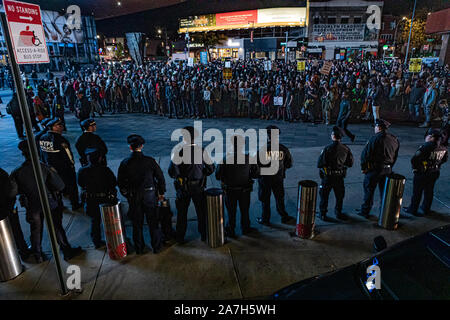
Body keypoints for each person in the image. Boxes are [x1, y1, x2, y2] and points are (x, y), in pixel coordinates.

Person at [10, 140, 83, 263]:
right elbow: (60, 185)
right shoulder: (44, 168)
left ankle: (38, 254)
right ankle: (66, 251)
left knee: (36, 230)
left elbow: (12, 192)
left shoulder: (17, 172)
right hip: (49, 203)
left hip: (31, 205)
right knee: (56, 227)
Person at [118, 135, 166, 254]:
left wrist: (127, 195)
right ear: (142, 146)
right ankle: (156, 246)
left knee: (137, 224)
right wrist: (161, 192)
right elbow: (160, 177)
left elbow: (120, 182)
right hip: (150, 195)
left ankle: (139, 248)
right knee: (153, 222)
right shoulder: (150, 161)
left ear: (130, 147)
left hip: (134, 196)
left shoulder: (125, 163)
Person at [168, 126, 215, 243]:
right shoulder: (202, 150)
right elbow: (211, 168)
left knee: (182, 213)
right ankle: (204, 234)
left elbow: (172, 172)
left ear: (184, 138)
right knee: (201, 212)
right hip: (199, 186)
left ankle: (180, 237)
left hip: (184, 188)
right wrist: (202, 173)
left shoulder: (178, 152)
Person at [215, 135, 259, 238]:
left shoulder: (225, 159)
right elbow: (256, 174)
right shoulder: (249, 158)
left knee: (231, 212)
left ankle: (231, 230)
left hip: (230, 190)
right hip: (245, 190)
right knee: (245, 210)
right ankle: (245, 228)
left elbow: (218, 176)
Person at [357, 119, 400, 218]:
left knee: (369, 191)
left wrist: (364, 168)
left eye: (375, 127)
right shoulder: (394, 139)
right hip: (387, 170)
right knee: (384, 192)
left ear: (379, 127)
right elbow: (395, 155)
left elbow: (365, 155)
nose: (375, 129)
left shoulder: (375, 138)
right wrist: (390, 167)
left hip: (375, 170)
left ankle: (365, 211)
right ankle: (384, 211)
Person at [39, 118, 82, 211]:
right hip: (64, 168)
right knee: (72, 186)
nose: (61, 127)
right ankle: (75, 204)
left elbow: (41, 153)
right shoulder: (61, 140)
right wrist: (71, 164)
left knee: (55, 187)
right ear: (53, 127)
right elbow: (68, 155)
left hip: (49, 168)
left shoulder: (42, 138)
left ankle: (59, 204)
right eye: (58, 125)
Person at [78, 148, 117, 248]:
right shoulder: (105, 170)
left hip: (91, 199)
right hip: (104, 199)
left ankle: (97, 241)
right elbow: (113, 183)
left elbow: (80, 183)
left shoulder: (82, 171)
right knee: (109, 220)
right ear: (100, 158)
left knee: (95, 221)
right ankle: (113, 239)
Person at [256, 125, 295, 226]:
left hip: (265, 179)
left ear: (268, 137)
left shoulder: (262, 150)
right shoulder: (283, 149)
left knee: (265, 199)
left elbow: (256, 166)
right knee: (279, 198)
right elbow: (289, 164)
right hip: (278, 178)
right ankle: (284, 216)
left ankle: (265, 219)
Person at [404, 129, 448, 216]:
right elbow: (445, 160)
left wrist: (416, 169)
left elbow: (414, 159)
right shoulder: (443, 148)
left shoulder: (426, 146)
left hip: (423, 173)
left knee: (417, 192)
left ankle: (413, 209)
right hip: (435, 172)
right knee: (429, 191)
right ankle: (425, 208)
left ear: (431, 137)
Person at [317, 126, 354, 221]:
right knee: (339, 196)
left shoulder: (327, 149)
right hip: (339, 176)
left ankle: (323, 214)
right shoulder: (346, 149)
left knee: (324, 196)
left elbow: (320, 164)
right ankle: (338, 212)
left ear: (333, 136)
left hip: (328, 176)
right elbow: (350, 163)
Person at [0, 167, 33, 261]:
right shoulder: (2, 174)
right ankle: (23, 252)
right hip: (6, 209)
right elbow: (11, 191)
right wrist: (11, 205)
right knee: (16, 231)